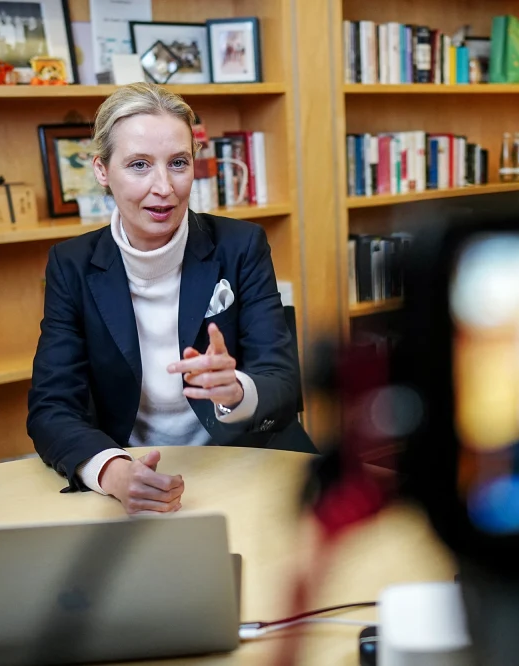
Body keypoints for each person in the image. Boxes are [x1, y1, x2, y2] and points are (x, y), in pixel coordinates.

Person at [28, 82, 312, 513]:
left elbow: (281, 382)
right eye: (139, 165)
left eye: (178, 163)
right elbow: (51, 407)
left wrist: (235, 389)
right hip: (137, 471)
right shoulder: (71, 265)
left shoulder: (242, 245)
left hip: (246, 458)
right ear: (102, 171)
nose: (164, 186)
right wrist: (114, 470)